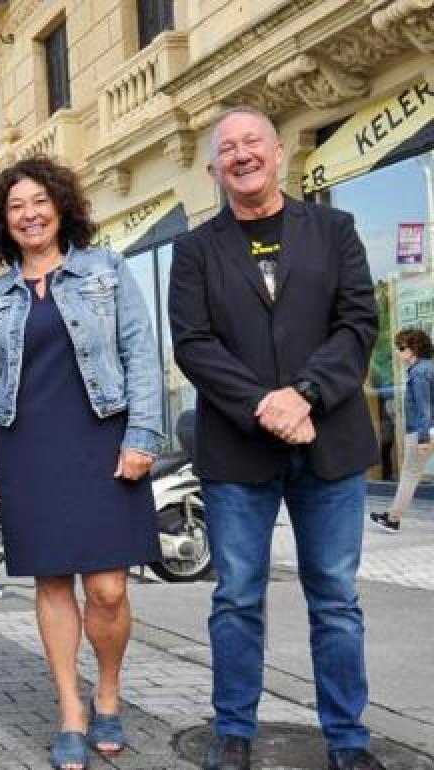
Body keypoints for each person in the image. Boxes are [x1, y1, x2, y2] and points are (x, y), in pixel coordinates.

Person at [168, 106, 385, 770]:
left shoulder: (334, 229)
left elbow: (356, 323)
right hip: (239, 448)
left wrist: (306, 394)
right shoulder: (194, 249)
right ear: (213, 169)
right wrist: (264, 403)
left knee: (336, 596)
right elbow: (193, 345)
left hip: (329, 441)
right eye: (227, 148)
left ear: (279, 152)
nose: (241, 154)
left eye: (252, 141)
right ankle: (233, 730)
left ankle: (348, 739)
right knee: (236, 594)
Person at [0, 156, 162, 770]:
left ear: (61, 206)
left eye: (39, 202)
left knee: (108, 589)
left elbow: (140, 353)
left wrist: (142, 436)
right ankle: (71, 709)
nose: (29, 215)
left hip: (103, 438)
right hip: (27, 445)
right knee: (52, 582)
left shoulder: (105, 269)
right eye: (15, 207)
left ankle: (108, 692)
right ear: (4, 221)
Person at [371, 327, 434, 534]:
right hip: (426, 430)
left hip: (421, 432)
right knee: (411, 474)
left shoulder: (419, 373)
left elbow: (424, 408)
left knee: (409, 475)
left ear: (413, 349)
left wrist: (423, 438)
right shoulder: (428, 368)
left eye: (401, 347)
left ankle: (393, 518)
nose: (397, 352)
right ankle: (392, 516)